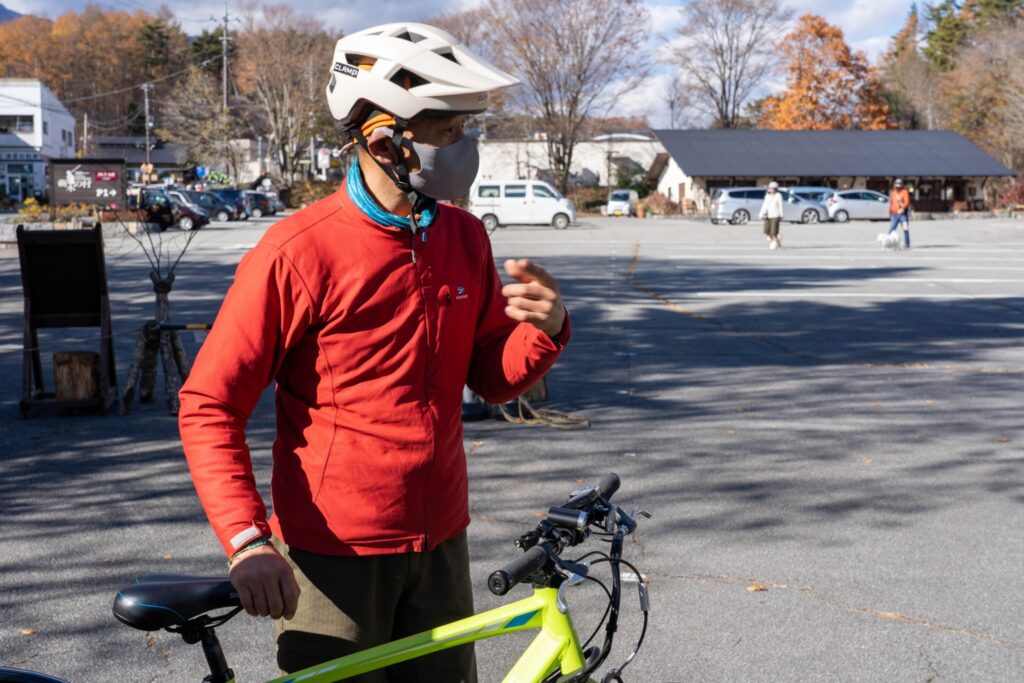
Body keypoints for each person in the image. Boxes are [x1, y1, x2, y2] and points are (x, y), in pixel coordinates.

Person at [177, 22, 570, 682]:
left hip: (442, 543)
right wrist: (247, 539)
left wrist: (544, 329)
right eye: (449, 133)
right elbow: (209, 404)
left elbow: (490, 378)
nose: (466, 149)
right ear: (386, 140)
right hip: (332, 557)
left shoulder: (467, 237)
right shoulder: (297, 253)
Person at [759, 181, 784, 250]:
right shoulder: (767, 196)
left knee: (773, 231)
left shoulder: (779, 195)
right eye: (769, 188)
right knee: (766, 231)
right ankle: (777, 239)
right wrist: (761, 213)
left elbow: (780, 205)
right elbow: (764, 205)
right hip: (767, 215)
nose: (769, 189)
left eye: (771, 188)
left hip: (775, 215)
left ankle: (774, 243)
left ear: (775, 189)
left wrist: (781, 214)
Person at [888, 178, 911, 248]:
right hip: (894, 214)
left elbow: (907, 202)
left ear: (901, 184)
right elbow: (891, 203)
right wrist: (890, 212)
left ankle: (907, 243)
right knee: (892, 229)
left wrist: (902, 208)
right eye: (896, 183)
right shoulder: (893, 193)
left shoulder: (904, 192)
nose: (897, 185)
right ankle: (889, 242)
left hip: (902, 215)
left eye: (899, 184)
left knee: (905, 229)